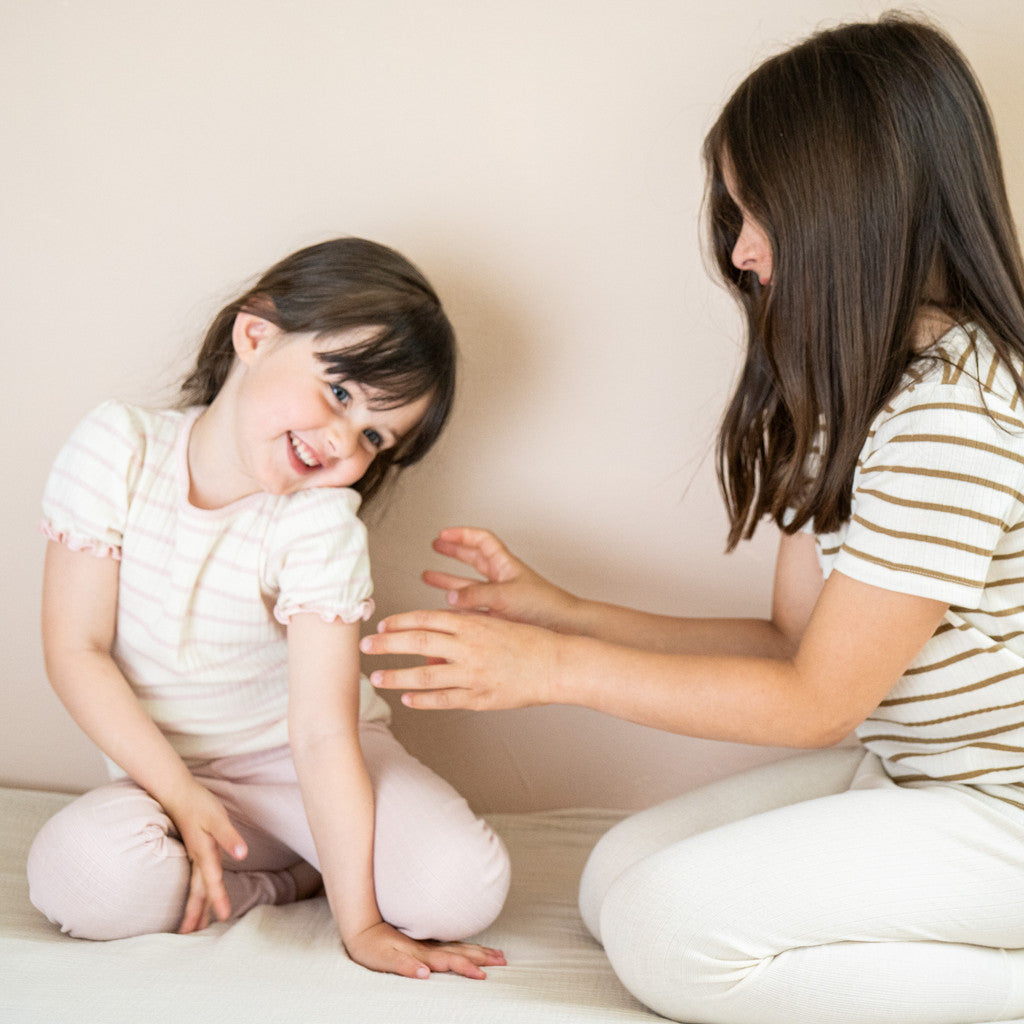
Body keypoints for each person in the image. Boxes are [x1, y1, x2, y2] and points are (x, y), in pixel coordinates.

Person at [359, 15, 1024, 1022]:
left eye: (761, 216)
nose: (744, 253)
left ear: (856, 208)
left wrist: (553, 675)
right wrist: (561, 614)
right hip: (918, 777)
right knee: (611, 879)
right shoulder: (859, 396)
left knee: (666, 934)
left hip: (1001, 811)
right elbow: (791, 643)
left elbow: (815, 703)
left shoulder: (955, 412)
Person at [27, 237, 510, 981]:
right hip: (170, 773)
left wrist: (362, 927)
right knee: (83, 879)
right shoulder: (117, 449)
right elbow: (76, 651)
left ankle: (318, 867)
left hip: (308, 764)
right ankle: (281, 879)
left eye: (374, 437)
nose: (342, 442)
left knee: (461, 888)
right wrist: (179, 794)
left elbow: (320, 733)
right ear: (256, 336)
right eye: (341, 395)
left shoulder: (317, 523)